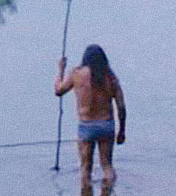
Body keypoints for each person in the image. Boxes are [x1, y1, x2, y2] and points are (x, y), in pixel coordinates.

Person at [54, 44, 126, 187]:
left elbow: (58, 91)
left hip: (86, 126)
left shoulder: (76, 74)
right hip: (107, 125)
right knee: (107, 166)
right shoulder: (110, 77)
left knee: (85, 168)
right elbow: (121, 107)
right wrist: (121, 131)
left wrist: (60, 71)